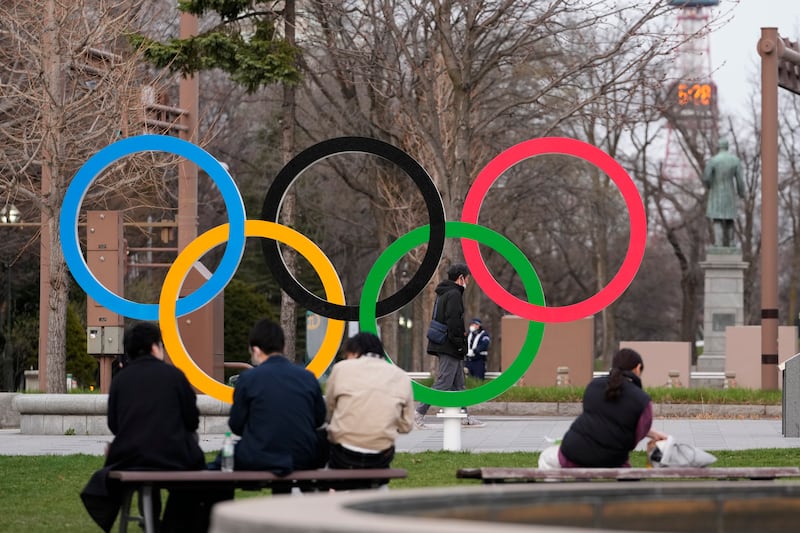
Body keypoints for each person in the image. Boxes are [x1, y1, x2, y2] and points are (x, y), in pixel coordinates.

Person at [81, 322, 209, 532]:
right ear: (154, 346)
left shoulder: (120, 380)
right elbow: (192, 421)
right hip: (173, 456)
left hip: (131, 457)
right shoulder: (175, 376)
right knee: (192, 476)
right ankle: (168, 525)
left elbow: (114, 425)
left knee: (146, 475)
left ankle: (151, 522)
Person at [221, 318, 327, 474]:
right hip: (304, 456)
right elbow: (319, 418)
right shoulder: (307, 377)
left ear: (256, 350)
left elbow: (236, 425)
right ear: (283, 346)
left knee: (222, 462)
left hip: (259, 456)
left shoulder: (248, 379)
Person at [538, 348, 668, 469]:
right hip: (613, 461)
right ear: (638, 368)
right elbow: (630, 433)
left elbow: (601, 422)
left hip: (573, 453)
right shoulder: (643, 401)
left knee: (545, 458)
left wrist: (652, 433)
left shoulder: (593, 386)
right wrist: (652, 435)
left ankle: (556, 492)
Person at [326, 332, 414, 473]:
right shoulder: (400, 376)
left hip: (343, 452)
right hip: (380, 454)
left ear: (355, 352)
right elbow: (406, 426)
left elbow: (329, 410)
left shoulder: (341, 369)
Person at [415, 263, 485, 429]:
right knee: (444, 382)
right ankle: (418, 413)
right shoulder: (453, 294)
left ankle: (465, 416)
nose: (468, 281)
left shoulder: (444, 293)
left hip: (447, 343)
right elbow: (453, 321)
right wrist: (460, 344)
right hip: (449, 345)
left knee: (459, 383)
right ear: (460, 277)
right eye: (467, 278)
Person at [702, 138, 744, 247]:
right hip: (729, 192)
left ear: (719, 147)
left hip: (716, 193)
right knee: (730, 218)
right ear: (727, 147)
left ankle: (719, 244)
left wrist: (710, 186)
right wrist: (741, 192)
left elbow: (706, 177)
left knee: (717, 219)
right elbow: (740, 180)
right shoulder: (735, 160)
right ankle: (731, 243)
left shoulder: (714, 160)